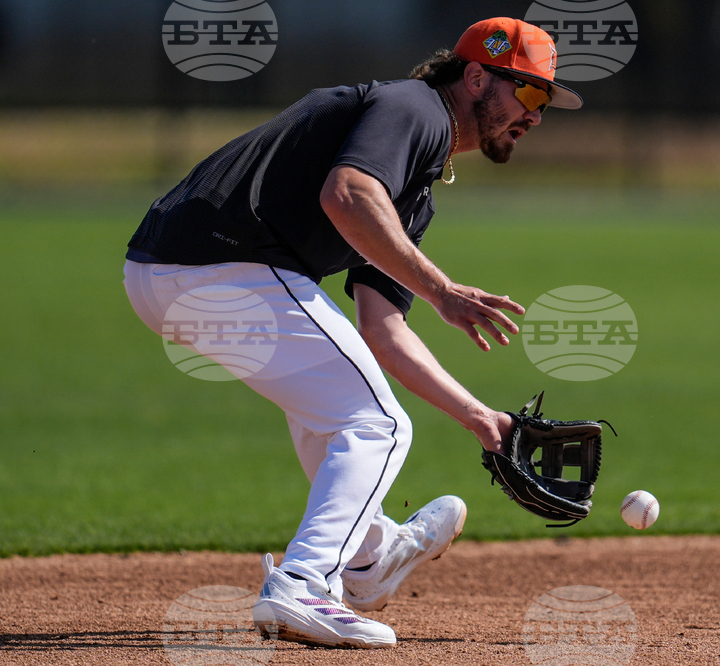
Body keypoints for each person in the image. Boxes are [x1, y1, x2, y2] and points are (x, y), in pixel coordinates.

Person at [123, 17, 582, 648]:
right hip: (222, 264)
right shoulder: (417, 109)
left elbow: (382, 329)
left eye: (545, 103)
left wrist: (485, 422)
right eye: (528, 91)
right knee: (378, 426)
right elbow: (347, 193)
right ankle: (304, 584)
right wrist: (442, 290)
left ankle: (369, 557)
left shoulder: (413, 193)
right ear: (476, 77)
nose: (534, 114)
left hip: (171, 274)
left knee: (334, 416)